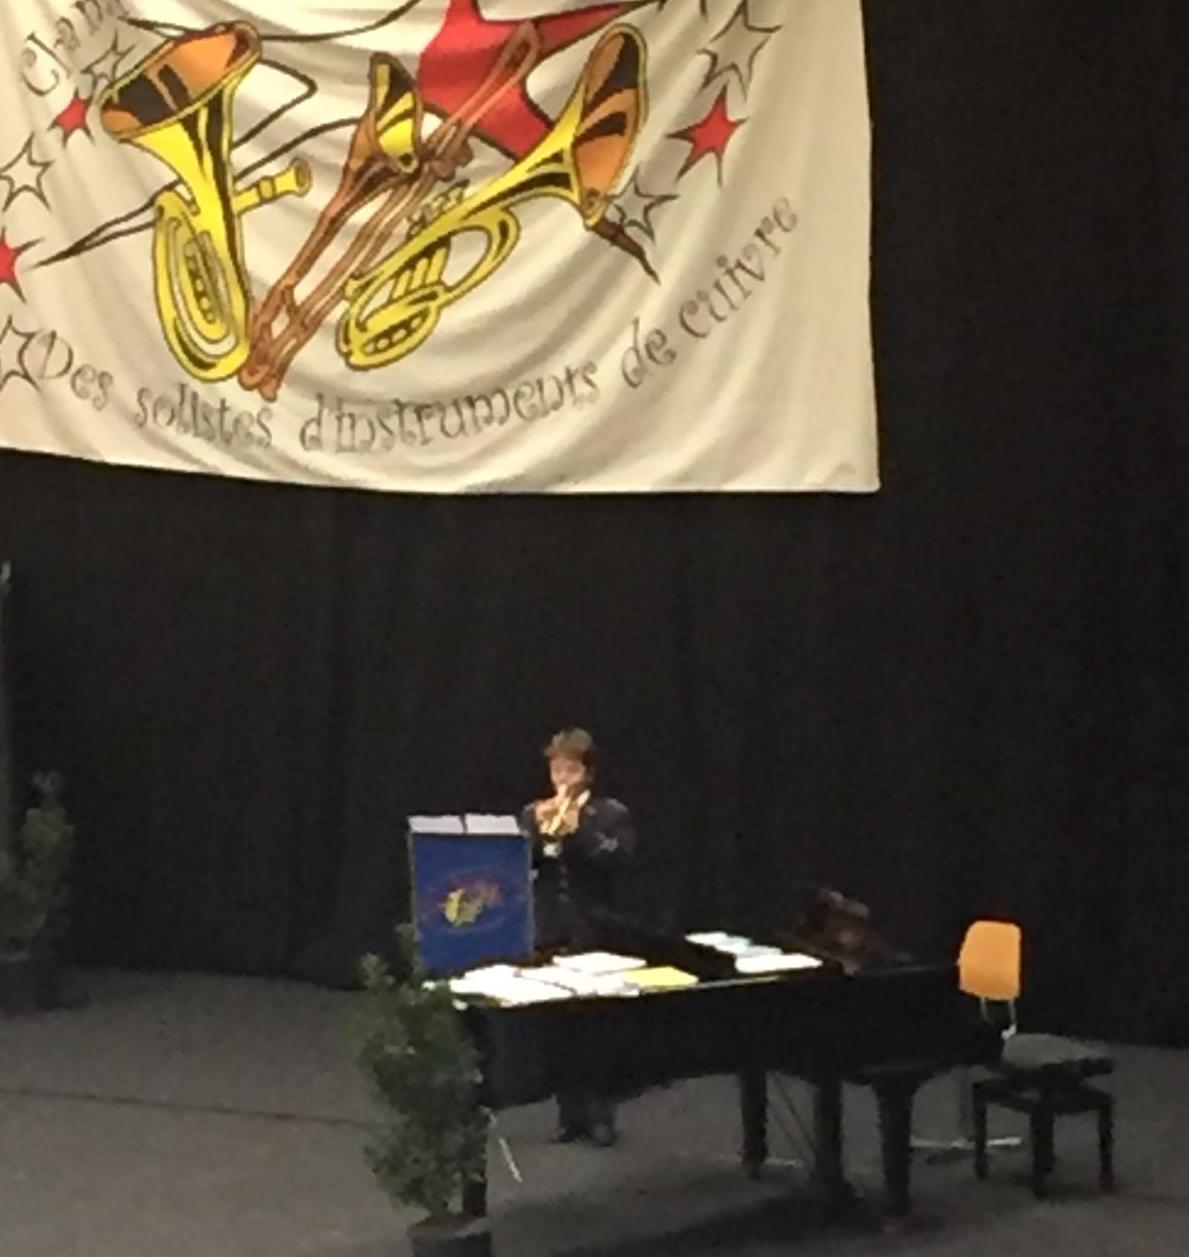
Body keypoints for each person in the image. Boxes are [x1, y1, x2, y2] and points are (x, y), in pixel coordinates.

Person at [519, 727, 637, 1147]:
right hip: (551, 930)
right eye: (556, 769)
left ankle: (601, 1115)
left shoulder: (610, 814)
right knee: (558, 1028)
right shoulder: (533, 812)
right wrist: (540, 835)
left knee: (596, 1026)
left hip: (594, 930)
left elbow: (619, 860)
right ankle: (568, 1115)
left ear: (588, 773)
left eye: (570, 769)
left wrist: (579, 831)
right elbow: (521, 865)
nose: (562, 778)